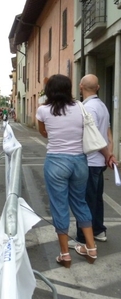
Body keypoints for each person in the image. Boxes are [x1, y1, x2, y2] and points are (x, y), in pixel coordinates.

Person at [36, 74, 97, 268]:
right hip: (80, 161)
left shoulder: (43, 110)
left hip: (56, 161)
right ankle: (92, 247)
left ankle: (65, 254)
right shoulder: (80, 107)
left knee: (59, 206)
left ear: (50, 90)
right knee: (80, 202)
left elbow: (43, 132)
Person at [68, 74, 118, 248]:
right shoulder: (102, 106)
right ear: (97, 88)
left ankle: (83, 238)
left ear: (81, 87)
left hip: (89, 161)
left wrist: (106, 155)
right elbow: (107, 132)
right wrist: (110, 153)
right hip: (99, 162)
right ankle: (98, 230)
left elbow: (94, 136)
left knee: (84, 200)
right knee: (96, 198)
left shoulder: (86, 108)